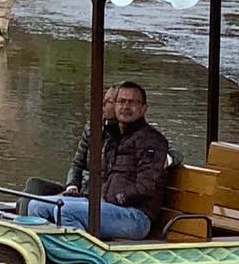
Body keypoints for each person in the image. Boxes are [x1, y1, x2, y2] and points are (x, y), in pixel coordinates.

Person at [29, 81, 170, 240]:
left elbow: (145, 187)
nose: (125, 106)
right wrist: (78, 192)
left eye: (133, 102)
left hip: (135, 216)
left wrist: (114, 198)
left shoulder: (152, 141)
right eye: (121, 101)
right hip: (105, 205)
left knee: (66, 211)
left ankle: (82, 258)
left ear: (144, 108)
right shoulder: (112, 136)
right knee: (36, 205)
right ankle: (51, 251)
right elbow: (96, 174)